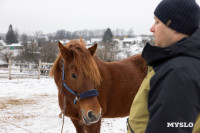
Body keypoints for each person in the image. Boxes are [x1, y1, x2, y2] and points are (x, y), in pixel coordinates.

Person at [127, 0, 200, 133]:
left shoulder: (179, 72)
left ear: (176, 26)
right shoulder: (180, 63)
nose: (152, 28)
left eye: (157, 22)